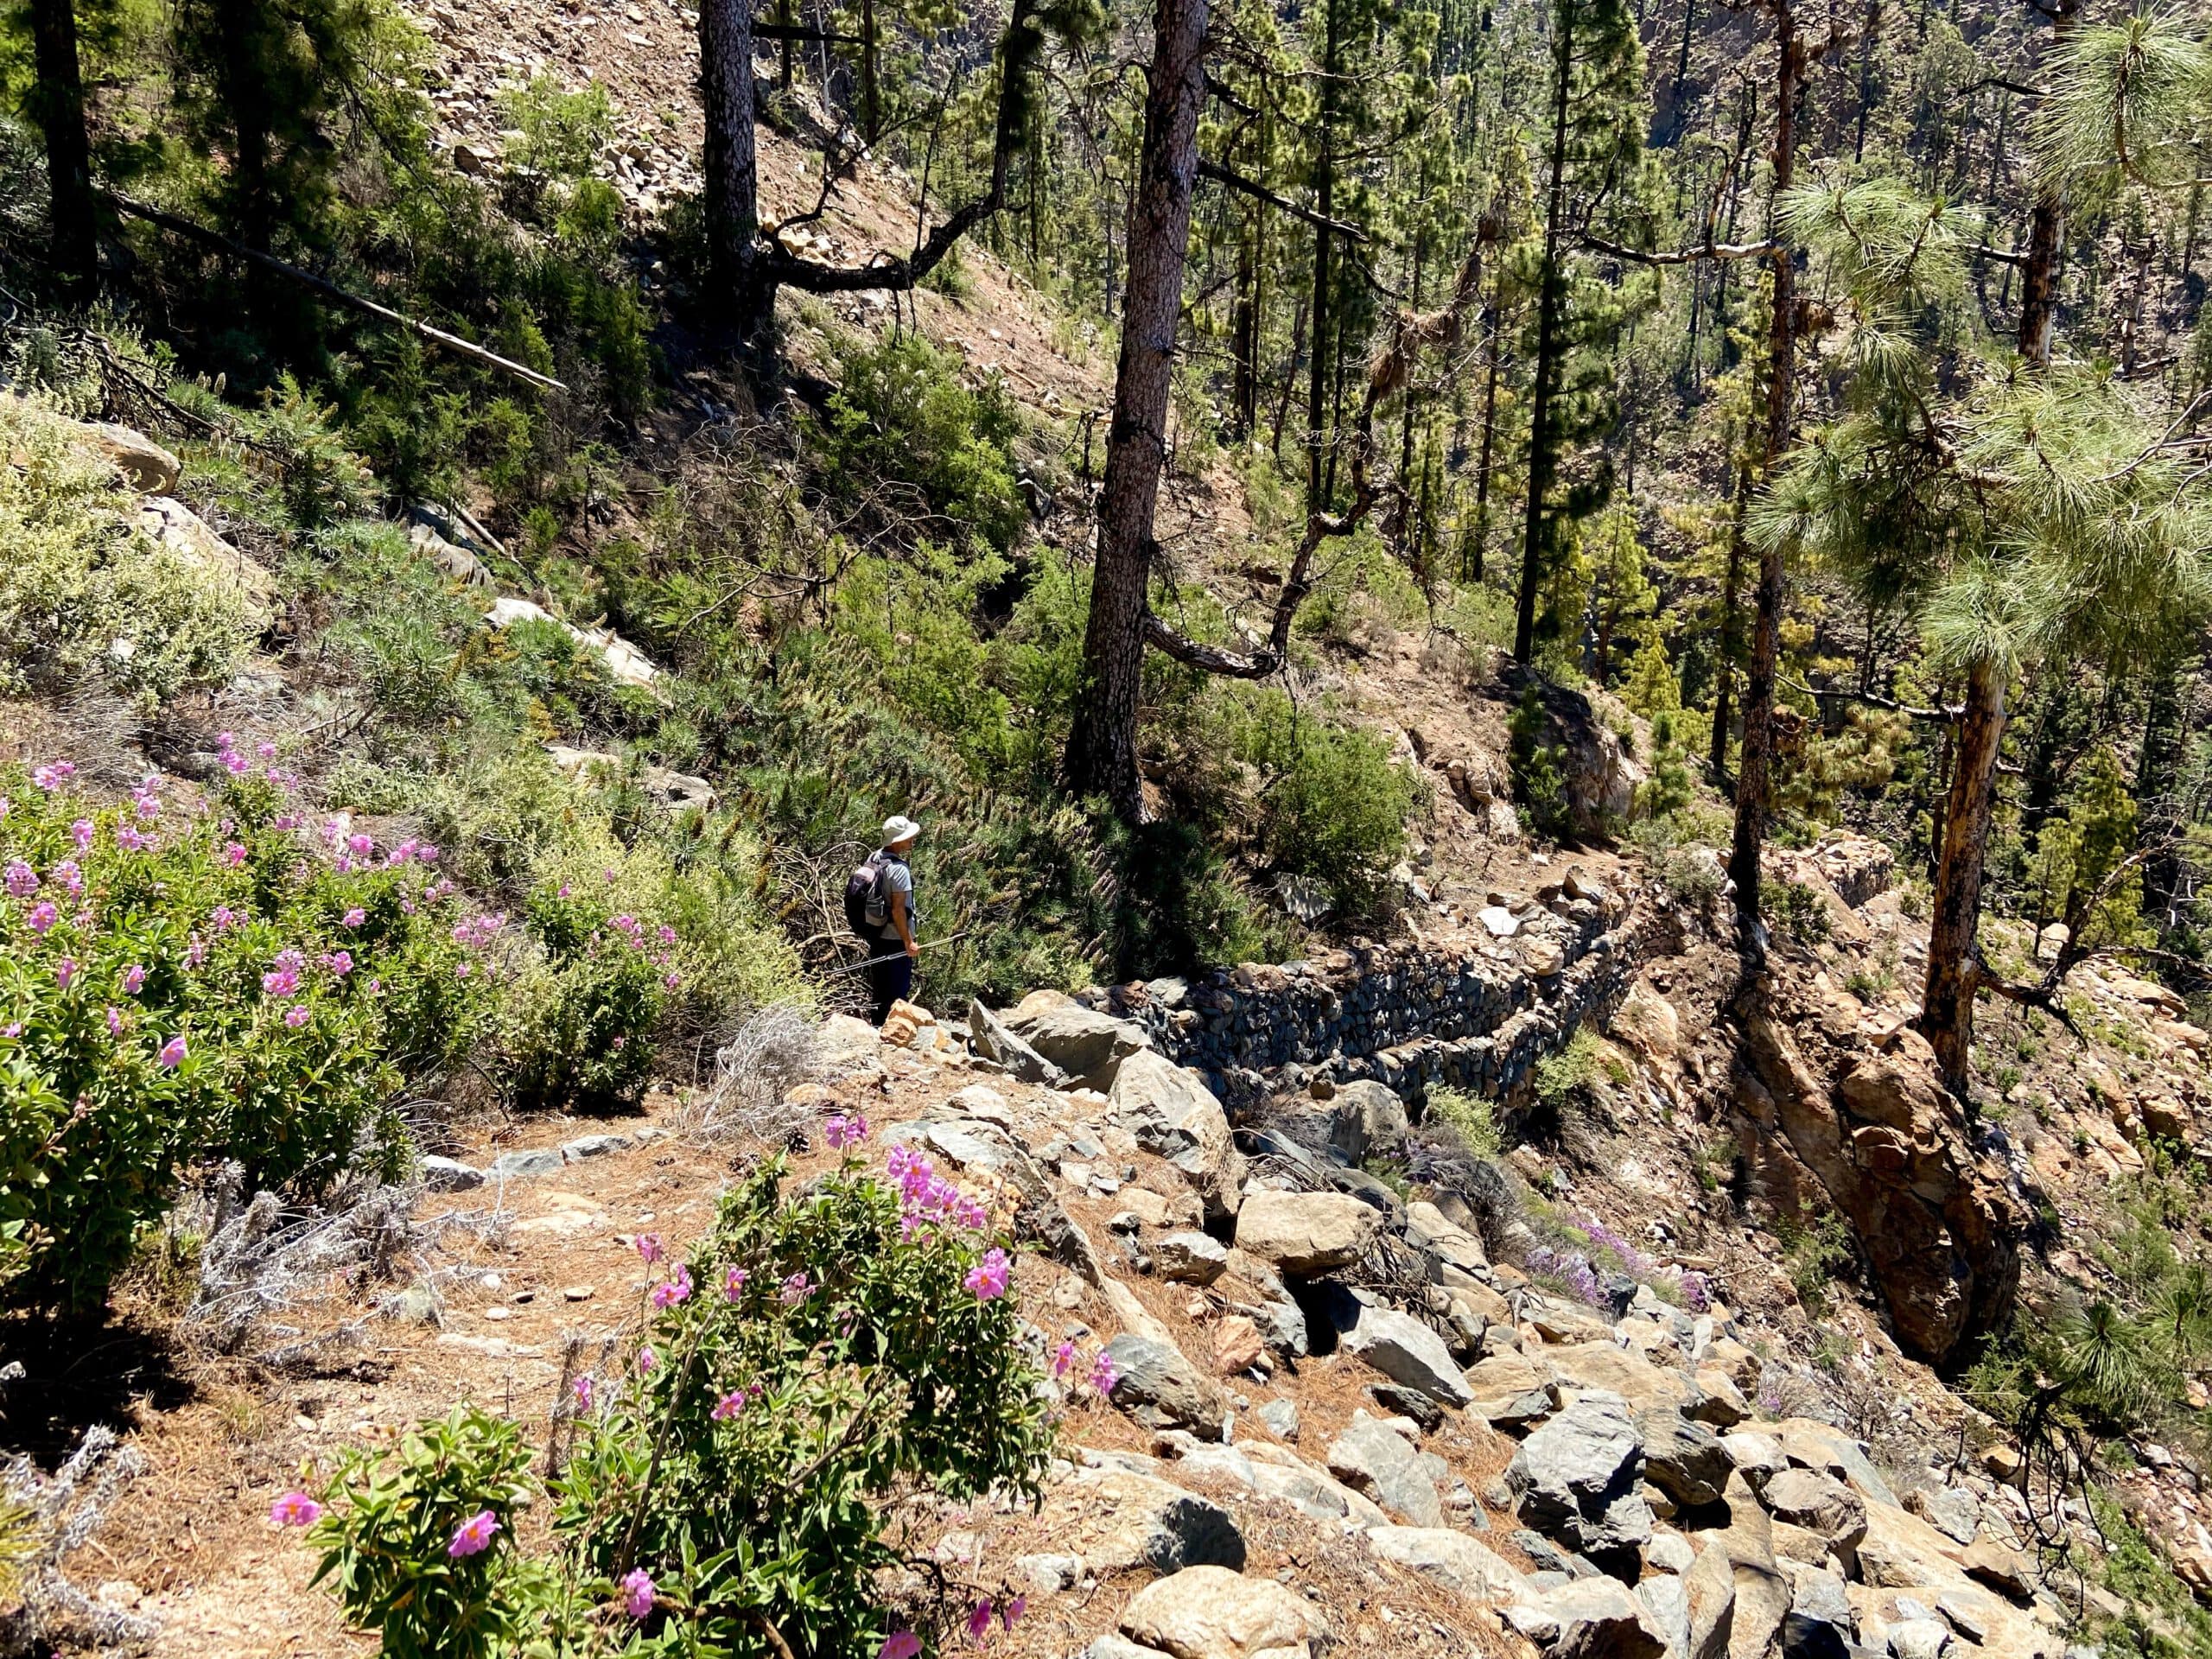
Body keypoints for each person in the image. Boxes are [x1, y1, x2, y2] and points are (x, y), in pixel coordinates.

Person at [865, 815, 921, 1024]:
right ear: (897, 841)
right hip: (895, 939)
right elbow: (898, 910)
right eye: (908, 837)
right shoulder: (899, 869)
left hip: (876, 934)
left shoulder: (875, 858)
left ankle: (877, 1027)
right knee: (897, 992)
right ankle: (894, 1031)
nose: (912, 840)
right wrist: (908, 942)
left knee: (880, 988)